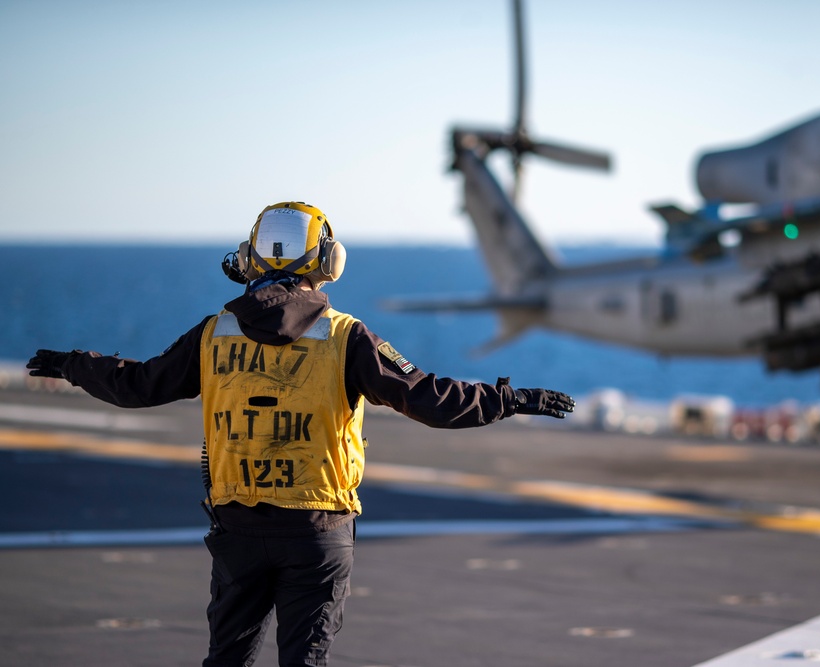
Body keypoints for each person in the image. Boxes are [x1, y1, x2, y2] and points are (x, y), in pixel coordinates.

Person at [26, 201, 574, 667]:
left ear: (249, 259)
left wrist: (75, 364)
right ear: (328, 261)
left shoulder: (214, 332)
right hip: (317, 531)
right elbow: (429, 400)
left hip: (237, 528)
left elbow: (139, 384)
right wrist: (512, 398)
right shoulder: (345, 336)